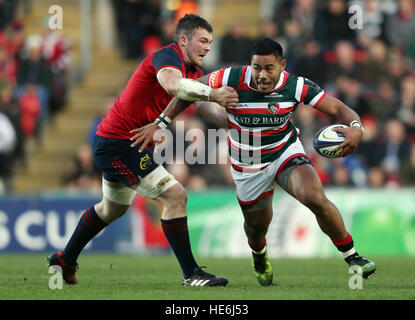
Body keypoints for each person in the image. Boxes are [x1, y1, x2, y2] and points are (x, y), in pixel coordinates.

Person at [131, 38, 376, 286]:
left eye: (269, 68)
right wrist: (161, 123)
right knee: (257, 227)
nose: (261, 75)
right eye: (257, 67)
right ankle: (259, 255)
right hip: (247, 163)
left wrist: (356, 128)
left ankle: (352, 256)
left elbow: (337, 108)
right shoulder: (231, 77)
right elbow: (189, 90)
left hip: (284, 150)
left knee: (314, 196)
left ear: (282, 65)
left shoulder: (296, 85)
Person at [47, 14, 238, 287]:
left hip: (127, 143)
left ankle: (66, 258)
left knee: (111, 209)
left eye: (211, 42)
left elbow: (205, 107)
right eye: (203, 41)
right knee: (175, 196)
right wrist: (214, 93)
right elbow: (173, 85)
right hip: (119, 143)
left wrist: (236, 121)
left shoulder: (195, 73)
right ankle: (191, 274)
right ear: (183, 40)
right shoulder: (167, 56)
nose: (208, 47)